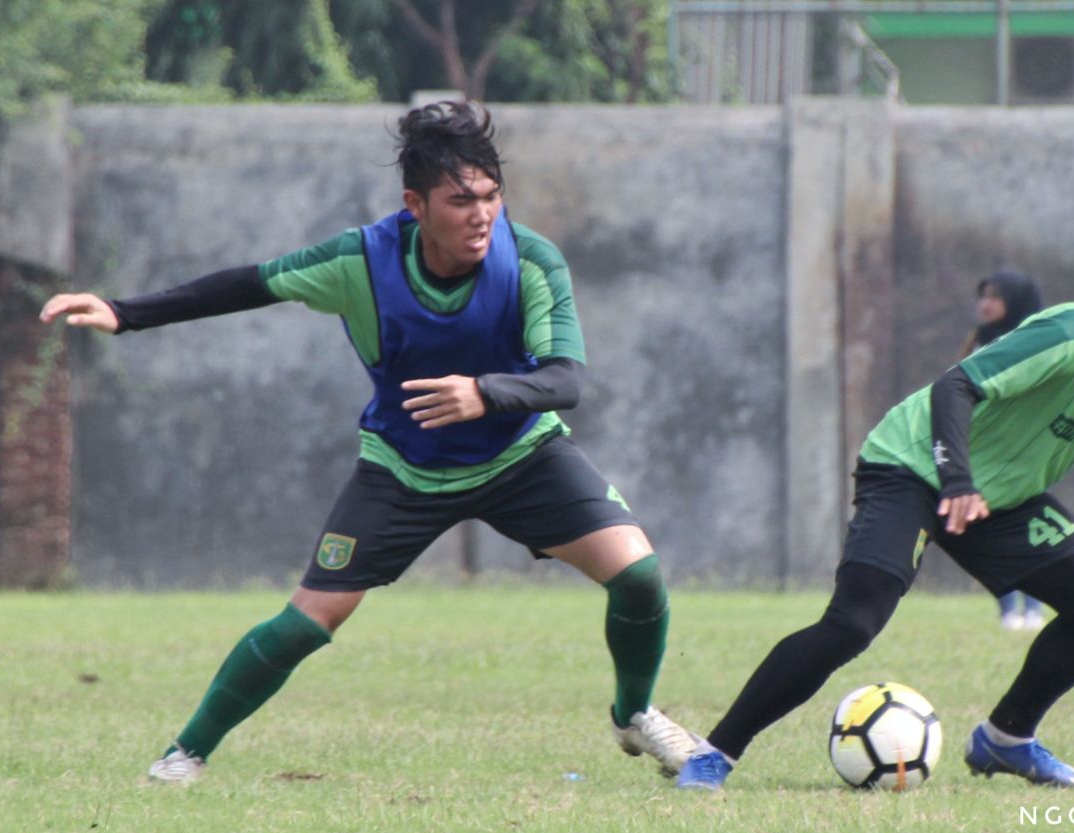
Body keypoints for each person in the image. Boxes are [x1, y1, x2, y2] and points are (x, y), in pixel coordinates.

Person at [40, 101, 697, 783]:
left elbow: (566, 379)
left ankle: (635, 713)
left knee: (639, 576)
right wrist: (125, 312)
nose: (482, 214)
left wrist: (484, 391)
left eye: (493, 196)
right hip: (403, 470)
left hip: (521, 456)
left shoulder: (530, 259)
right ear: (415, 203)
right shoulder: (361, 260)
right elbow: (249, 283)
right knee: (308, 621)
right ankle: (185, 755)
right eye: (461, 199)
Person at [676, 251, 1074, 791]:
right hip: (912, 467)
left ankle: (1007, 740)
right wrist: (957, 480)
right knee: (854, 623)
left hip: (998, 499)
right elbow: (954, 386)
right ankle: (715, 754)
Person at [963, 270, 1047, 632]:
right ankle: (1007, 608)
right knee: (989, 529)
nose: (986, 304)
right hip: (983, 447)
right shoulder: (979, 341)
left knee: (1029, 524)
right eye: (983, 295)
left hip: (1023, 445)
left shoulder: (1032, 340)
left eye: (996, 296)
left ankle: (1035, 606)